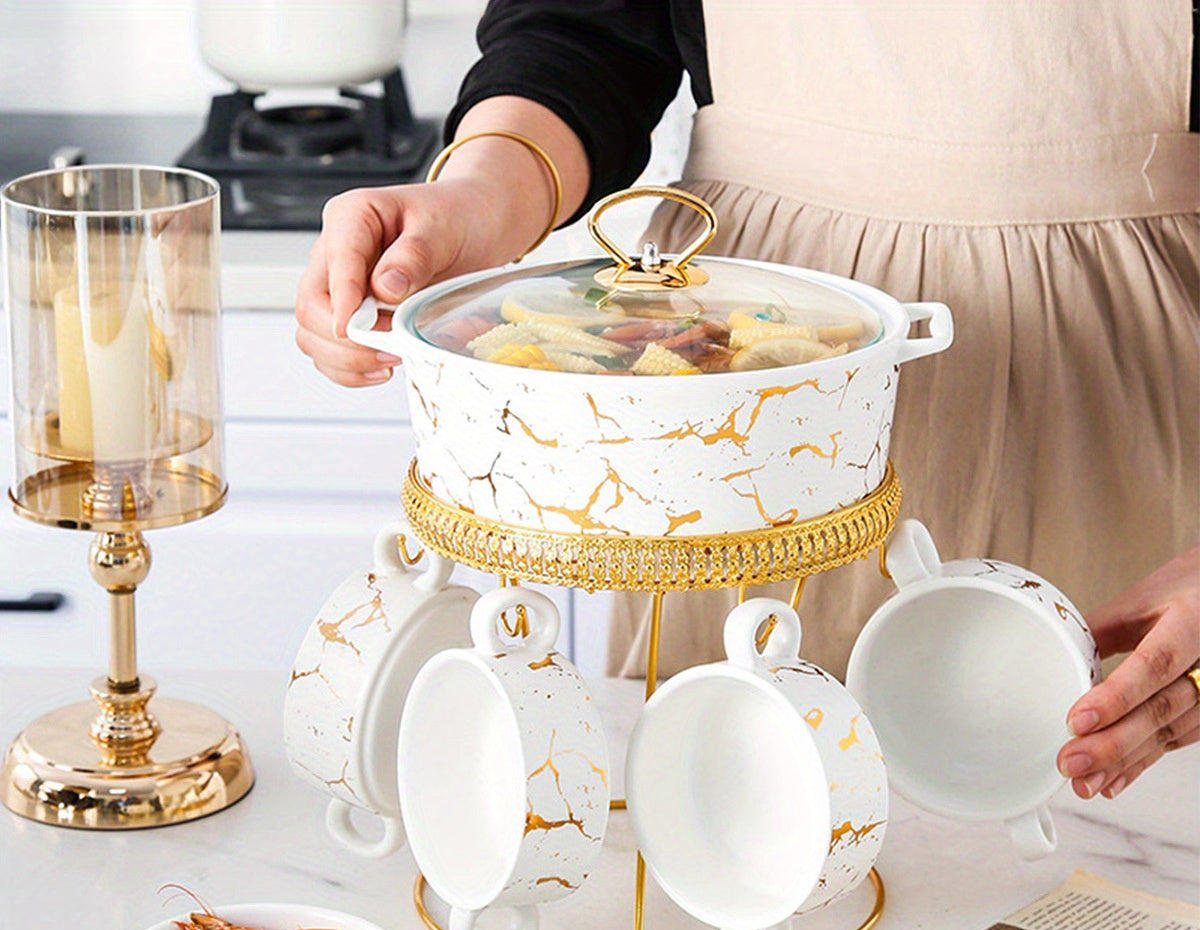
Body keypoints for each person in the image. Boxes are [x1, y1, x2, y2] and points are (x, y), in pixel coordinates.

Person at [295, 1, 1199, 804]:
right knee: (722, 807)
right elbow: (584, 31)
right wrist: (473, 198)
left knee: (1099, 819)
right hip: (721, 390)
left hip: (1120, 351)